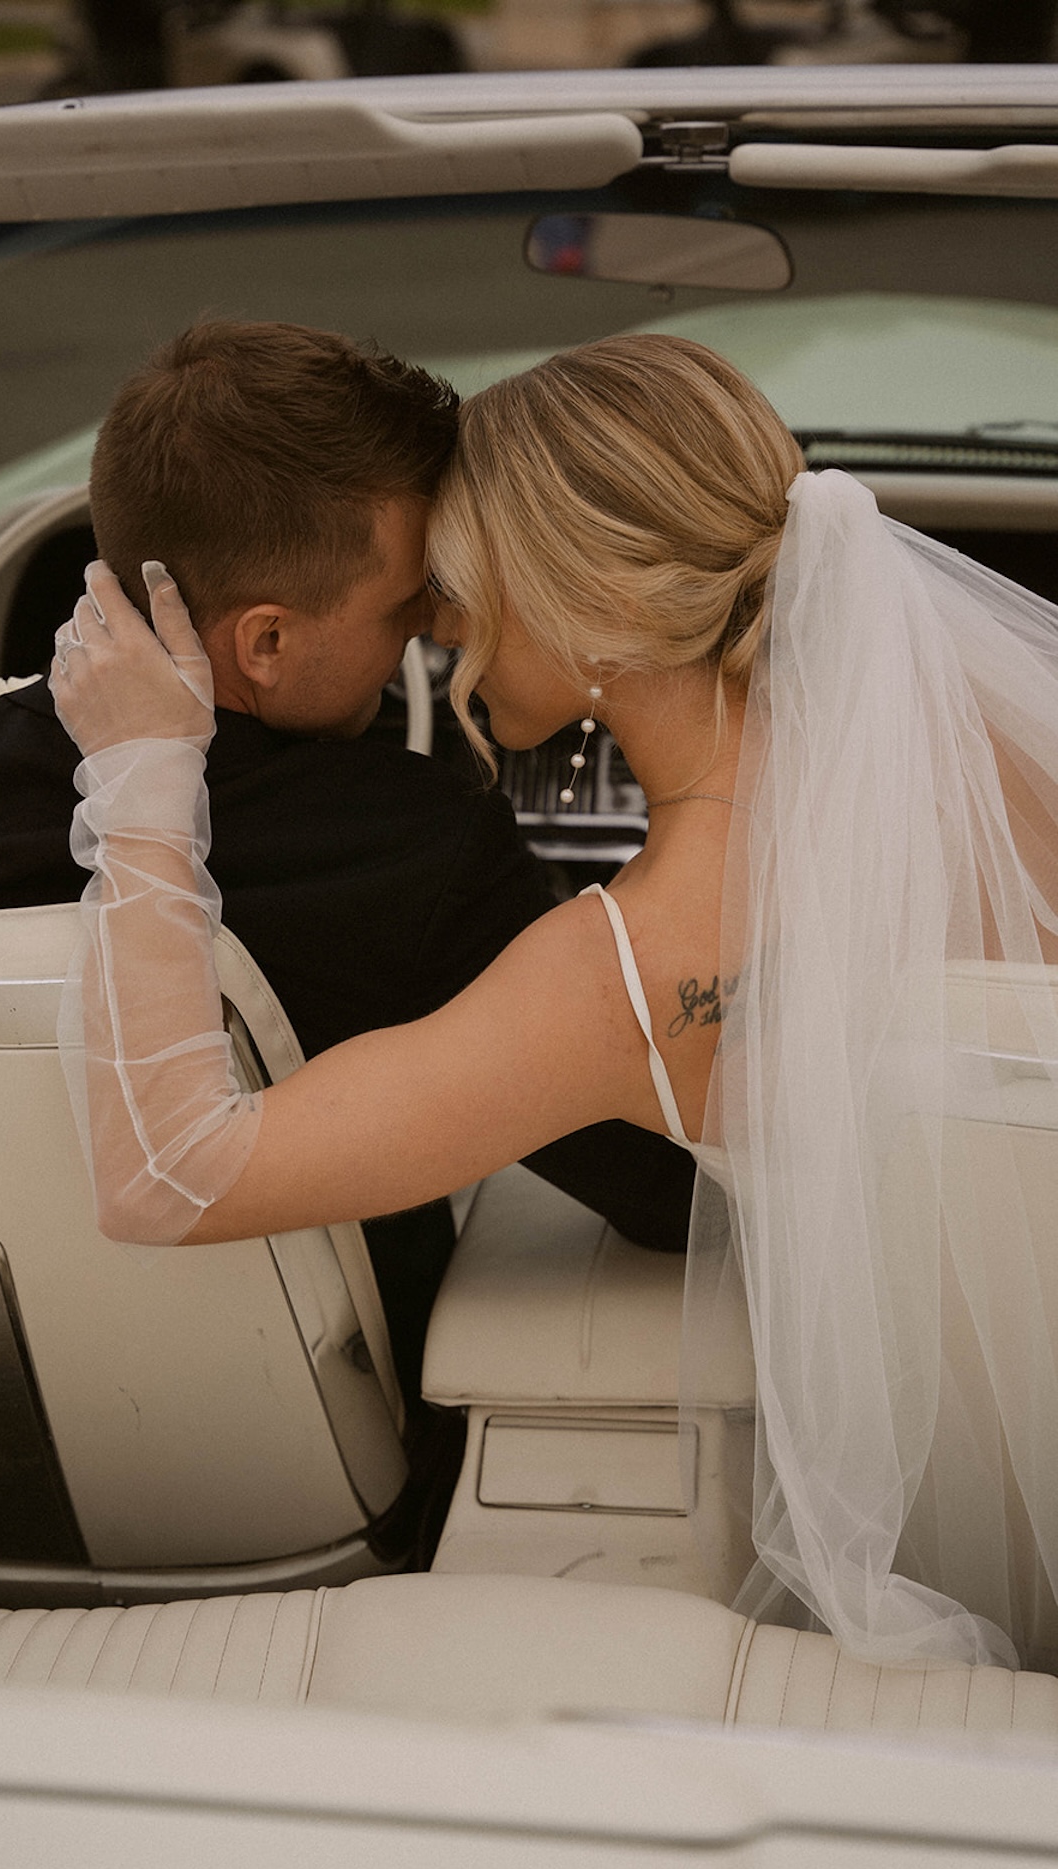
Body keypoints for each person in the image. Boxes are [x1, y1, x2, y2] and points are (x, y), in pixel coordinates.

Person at [51, 331, 1058, 1675]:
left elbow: (169, 1173)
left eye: (459, 585)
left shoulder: (624, 974)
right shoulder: (991, 746)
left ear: (584, 605)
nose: (441, 628)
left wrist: (145, 779)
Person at [0, 320, 695, 1409]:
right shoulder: (413, 846)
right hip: (321, 1467)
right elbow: (666, 1199)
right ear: (264, 643)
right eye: (407, 609)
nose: (439, 635)